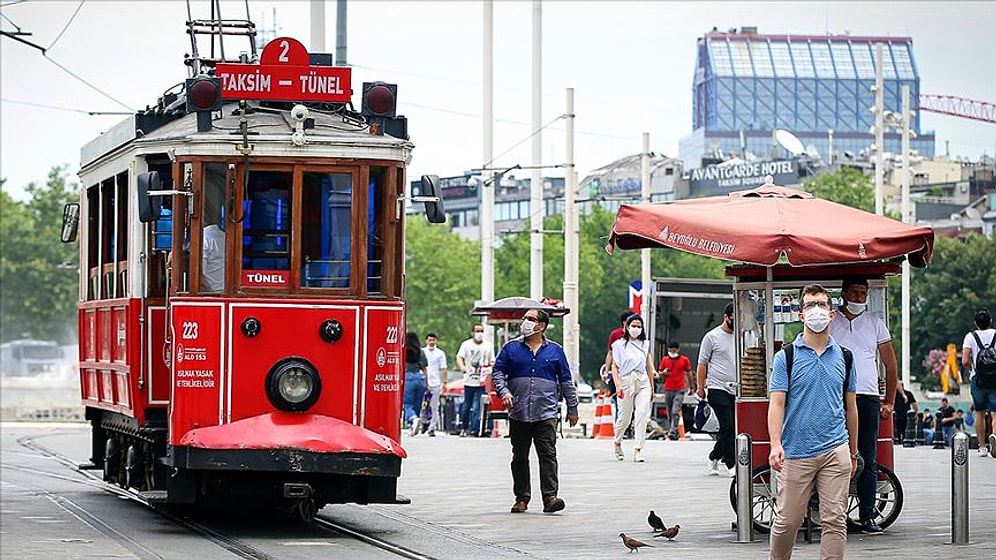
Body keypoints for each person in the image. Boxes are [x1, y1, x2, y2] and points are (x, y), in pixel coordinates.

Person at [768, 284, 859, 560]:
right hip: (796, 452)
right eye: (809, 305)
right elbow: (777, 403)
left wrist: (852, 452)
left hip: (835, 448)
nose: (816, 310)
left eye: (821, 304)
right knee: (787, 522)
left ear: (832, 314)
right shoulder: (786, 356)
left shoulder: (845, 356)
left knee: (835, 521)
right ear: (800, 314)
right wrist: (775, 444)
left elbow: (851, 408)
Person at [828, 277, 898, 534]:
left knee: (867, 457)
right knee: (833, 455)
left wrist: (889, 401)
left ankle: (867, 515)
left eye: (863, 293)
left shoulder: (875, 324)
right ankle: (832, 514)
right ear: (844, 293)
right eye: (855, 293)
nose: (859, 298)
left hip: (868, 396)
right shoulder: (831, 322)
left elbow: (891, 365)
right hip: (835, 394)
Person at [492, 309, 579, 514]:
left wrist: (572, 407)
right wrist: (504, 392)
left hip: (546, 412)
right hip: (518, 412)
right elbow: (497, 373)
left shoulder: (555, 351)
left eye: (531, 319)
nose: (525, 322)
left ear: (541, 326)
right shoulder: (510, 348)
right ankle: (521, 498)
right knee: (519, 456)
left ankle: (550, 498)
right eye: (525, 319)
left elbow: (566, 381)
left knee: (548, 454)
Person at [696, 302, 737, 477]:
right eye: (733, 319)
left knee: (735, 428)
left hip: (737, 388)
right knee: (727, 426)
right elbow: (702, 364)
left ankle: (714, 455)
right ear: (726, 317)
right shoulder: (712, 337)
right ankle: (731, 464)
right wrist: (700, 387)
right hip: (717, 387)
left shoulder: (743, 335)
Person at [610, 314, 657, 462]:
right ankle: (617, 442)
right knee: (624, 418)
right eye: (633, 326)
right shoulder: (619, 345)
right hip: (625, 381)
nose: (636, 329)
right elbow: (614, 367)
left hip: (642, 381)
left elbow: (649, 366)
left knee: (642, 415)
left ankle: (638, 449)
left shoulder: (645, 345)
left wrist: (651, 386)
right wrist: (617, 386)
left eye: (639, 326)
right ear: (627, 327)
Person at [962, 308, 996, 457]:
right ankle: (995, 436)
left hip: (978, 379)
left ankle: (982, 447)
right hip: (995, 379)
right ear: (990, 321)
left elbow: (965, 361)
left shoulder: (970, 337)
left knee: (980, 413)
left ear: (975, 323)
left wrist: (973, 369)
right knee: (995, 413)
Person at [456, 323, 495, 437]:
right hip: (469, 380)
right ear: (472, 333)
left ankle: (476, 429)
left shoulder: (488, 346)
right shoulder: (466, 345)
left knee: (479, 406)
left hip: (482, 381)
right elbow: (459, 357)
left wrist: (488, 366)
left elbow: (492, 361)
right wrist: (462, 367)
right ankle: (464, 428)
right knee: (466, 406)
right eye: (477, 331)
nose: (479, 333)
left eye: (481, 331)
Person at [659, 341, 693, 440]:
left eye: (674, 350)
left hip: (679, 389)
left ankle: (672, 431)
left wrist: (691, 386)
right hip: (668, 389)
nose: (672, 352)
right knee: (670, 412)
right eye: (670, 350)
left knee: (675, 411)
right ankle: (674, 430)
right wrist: (664, 372)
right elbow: (659, 373)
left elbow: (689, 373)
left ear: (678, 349)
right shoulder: (665, 360)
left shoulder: (684, 360)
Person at [422, 333, 449, 437]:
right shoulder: (422, 352)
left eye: (433, 340)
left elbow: (443, 368)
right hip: (423, 381)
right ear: (426, 341)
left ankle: (431, 428)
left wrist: (445, 382)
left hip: (435, 382)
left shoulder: (440, 353)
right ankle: (423, 422)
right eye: (430, 340)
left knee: (434, 406)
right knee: (423, 405)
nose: (431, 342)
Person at [403, 331, 428, 435]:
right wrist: (427, 383)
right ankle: (413, 426)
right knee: (417, 404)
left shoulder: (403, 350)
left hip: (408, 377)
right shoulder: (421, 352)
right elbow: (425, 369)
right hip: (420, 378)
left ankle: (412, 419)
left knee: (407, 404)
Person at [201, 222, 226, 292]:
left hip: (210, 291)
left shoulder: (204, 238)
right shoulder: (225, 236)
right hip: (226, 289)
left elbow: (200, 274)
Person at [893, 380, 918, 444]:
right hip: (906, 416)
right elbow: (914, 404)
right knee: (905, 431)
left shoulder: (894, 394)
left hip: (897, 416)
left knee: (897, 431)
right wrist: (915, 413)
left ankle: (897, 441)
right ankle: (905, 441)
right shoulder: (908, 393)